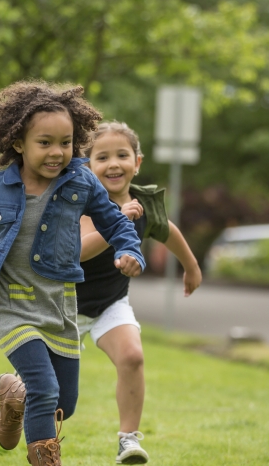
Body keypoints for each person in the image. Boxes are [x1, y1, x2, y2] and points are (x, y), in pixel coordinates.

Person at [0, 81, 146, 466]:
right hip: (12, 307)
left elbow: (116, 223)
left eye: (65, 143)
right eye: (44, 143)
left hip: (59, 305)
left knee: (64, 403)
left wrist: (130, 250)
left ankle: (13, 394)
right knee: (45, 389)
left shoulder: (82, 184)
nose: (56, 152)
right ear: (18, 143)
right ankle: (47, 459)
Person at [76, 121, 202, 464]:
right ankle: (16, 392)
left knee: (132, 357)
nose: (113, 163)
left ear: (137, 162)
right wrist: (117, 220)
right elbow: (82, 249)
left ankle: (128, 440)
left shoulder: (143, 203)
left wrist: (191, 266)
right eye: (102, 157)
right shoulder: (82, 200)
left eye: (122, 155)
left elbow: (167, 230)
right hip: (62, 306)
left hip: (109, 305)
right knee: (53, 388)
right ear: (88, 166)